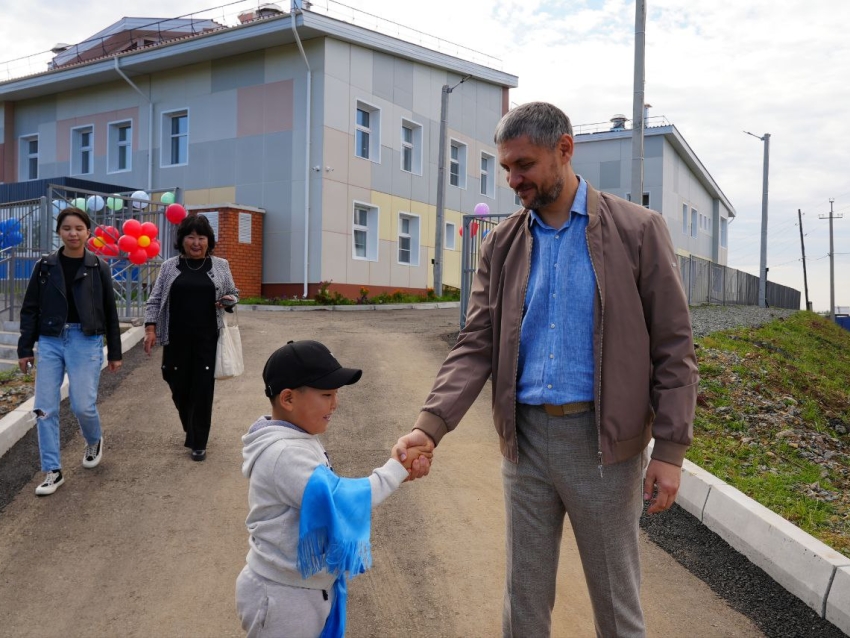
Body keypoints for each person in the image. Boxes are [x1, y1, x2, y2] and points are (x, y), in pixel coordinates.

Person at [394, 102, 698, 637]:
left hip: (603, 447)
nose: (513, 180)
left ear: (564, 150)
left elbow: (674, 349)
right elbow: (477, 344)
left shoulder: (639, 230)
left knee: (616, 607)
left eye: (524, 165)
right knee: (524, 601)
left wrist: (669, 453)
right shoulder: (502, 244)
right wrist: (429, 424)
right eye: (507, 167)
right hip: (526, 443)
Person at [235, 340, 430, 638]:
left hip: (301, 588)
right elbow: (339, 500)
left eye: (336, 394)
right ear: (288, 399)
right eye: (326, 394)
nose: (335, 403)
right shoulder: (283, 453)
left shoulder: (296, 437)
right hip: (282, 597)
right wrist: (397, 469)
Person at [18, 206, 123, 496]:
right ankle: (52, 470)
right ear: (59, 232)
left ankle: (93, 439)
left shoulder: (98, 267)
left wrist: (115, 351)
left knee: (82, 404)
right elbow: (29, 309)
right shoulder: (44, 266)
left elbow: (110, 313)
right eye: (67, 228)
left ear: (88, 232)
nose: (73, 233)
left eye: (79, 228)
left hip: (85, 340)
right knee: (44, 408)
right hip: (50, 339)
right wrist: (25, 348)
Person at [143, 214, 239, 461]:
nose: (196, 242)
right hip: (175, 338)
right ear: (182, 240)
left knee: (203, 389)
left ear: (209, 241)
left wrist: (227, 301)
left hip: (207, 338)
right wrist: (150, 329)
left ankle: (199, 441)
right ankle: (192, 426)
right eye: (191, 237)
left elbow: (232, 292)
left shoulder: (220, 265)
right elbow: (154, 300)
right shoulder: (169, 267)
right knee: (176, 383)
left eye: (201, 237)